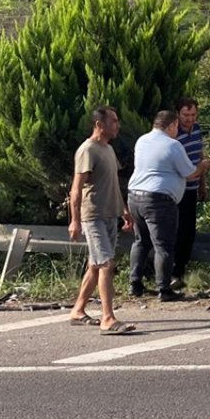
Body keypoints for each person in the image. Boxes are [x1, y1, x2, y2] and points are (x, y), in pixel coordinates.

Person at [128, 110, 210, 302]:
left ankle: (135, 284)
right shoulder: (173, 145)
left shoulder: (142, 140)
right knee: (163, 246)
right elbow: (189, 173)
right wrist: (203, 166)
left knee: (141, 241)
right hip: (158, 200)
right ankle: (164, 289)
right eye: (176, 127)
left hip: (134, 197)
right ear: (172, 125)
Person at [68, 105, 136, 335]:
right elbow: (76, 189)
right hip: (93, 216)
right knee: (106, 263)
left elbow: (112, 183)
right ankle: (108, 317)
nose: (117, 125)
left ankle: (78, 310)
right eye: (114, 121)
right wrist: (75, 221)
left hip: (110, 215)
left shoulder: (107, 149)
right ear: (99, 125)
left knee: (95, 266)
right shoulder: (87, 150)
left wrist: (124, 210)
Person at [171, 97, 206, 291]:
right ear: (178, 114)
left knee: (189, 232)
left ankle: (181, 272)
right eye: (186, 115)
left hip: (192, 188)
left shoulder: (197, 129)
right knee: (178, 231)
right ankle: (173, 273)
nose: (189, 119)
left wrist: (202, 184)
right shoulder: (175, 135)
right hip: (177, 190)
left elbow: (200, 155)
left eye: (193, 115)